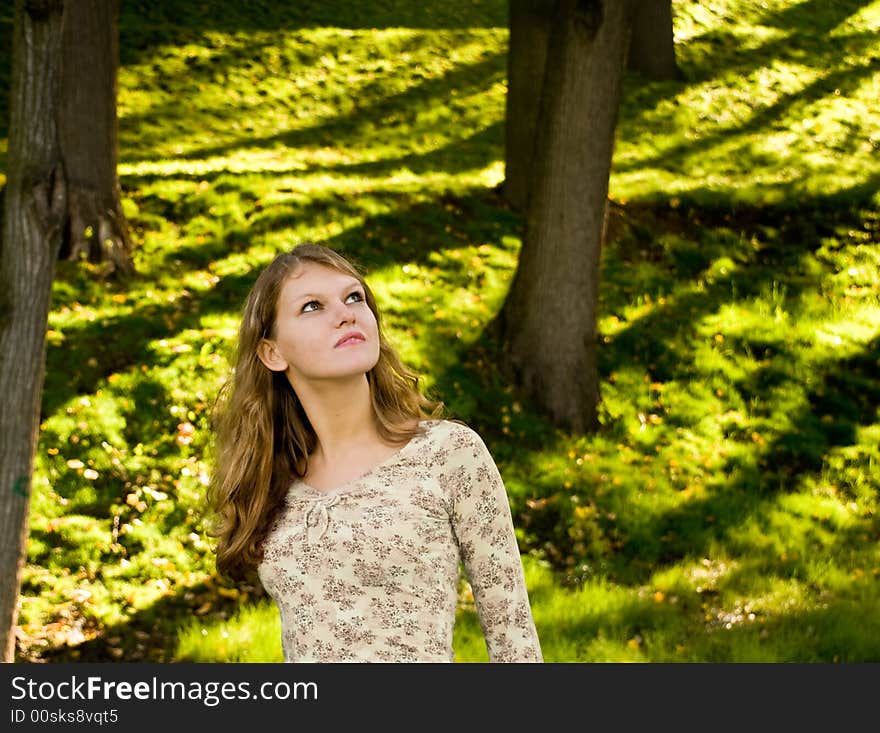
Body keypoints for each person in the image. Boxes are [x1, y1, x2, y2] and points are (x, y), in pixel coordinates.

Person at [206, 242, 543, 663]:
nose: (345, 313)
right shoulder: (276, 480)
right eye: (312, 306)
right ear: (272, 353)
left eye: (354, 297)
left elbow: (514, 639)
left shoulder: (446, 453)